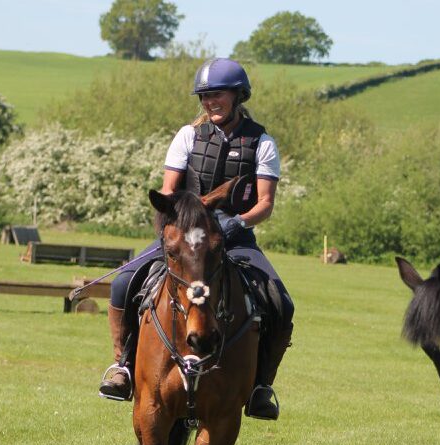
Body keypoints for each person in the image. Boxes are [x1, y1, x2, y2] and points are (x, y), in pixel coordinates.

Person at [98, 57, 294, 420]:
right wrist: (174, 224)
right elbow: (169, 190)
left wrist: (237, 223)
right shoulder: (188, 136)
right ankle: (122, 366)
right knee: (123, 283)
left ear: (238, 96)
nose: (210, 102)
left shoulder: (262, 142)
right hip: (187, 235)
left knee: (281, 304)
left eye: (217, 94)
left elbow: (265, 203)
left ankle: (261, 387)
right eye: (205, 96)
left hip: (234, 237)